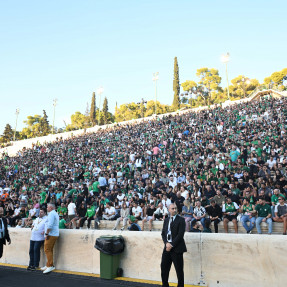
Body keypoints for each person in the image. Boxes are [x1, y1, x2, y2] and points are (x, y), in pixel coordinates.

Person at [161, 203, 186, 287]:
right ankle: (165, 285)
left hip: (177, 248)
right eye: (172, 208)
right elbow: (163, 233)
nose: (175, 210)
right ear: (169, 209)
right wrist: (166, 243)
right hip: (167, 248)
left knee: (179, 271)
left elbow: (180, 234)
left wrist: (171, 245)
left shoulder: (181, 220)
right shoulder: (166, 220)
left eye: (175, 208)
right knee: (164, 268)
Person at [41, 203, 59, 274]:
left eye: (48, 207)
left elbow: (50, 225)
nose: (47, 208)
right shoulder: (54, 213)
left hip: (51, 234)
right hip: (54, 234)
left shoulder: (51, 214)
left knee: (47, 249)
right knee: (49, 250)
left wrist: (46, 233)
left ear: (51, 207)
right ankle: (48, 264)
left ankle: (50, 265)